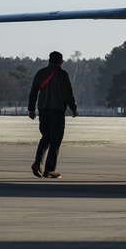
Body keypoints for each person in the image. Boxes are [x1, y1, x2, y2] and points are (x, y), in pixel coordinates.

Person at [28, 51, 78, 179]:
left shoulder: (40, 73)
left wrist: (31, 109)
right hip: (57, 110)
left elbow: (33, 91)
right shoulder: (62, 75)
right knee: (56, 140)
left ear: (49, 60)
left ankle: (38, 162)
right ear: (60, 61)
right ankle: (49, 170)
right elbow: (68, 93)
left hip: (43, 110)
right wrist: (73, 108)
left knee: (45, 137)